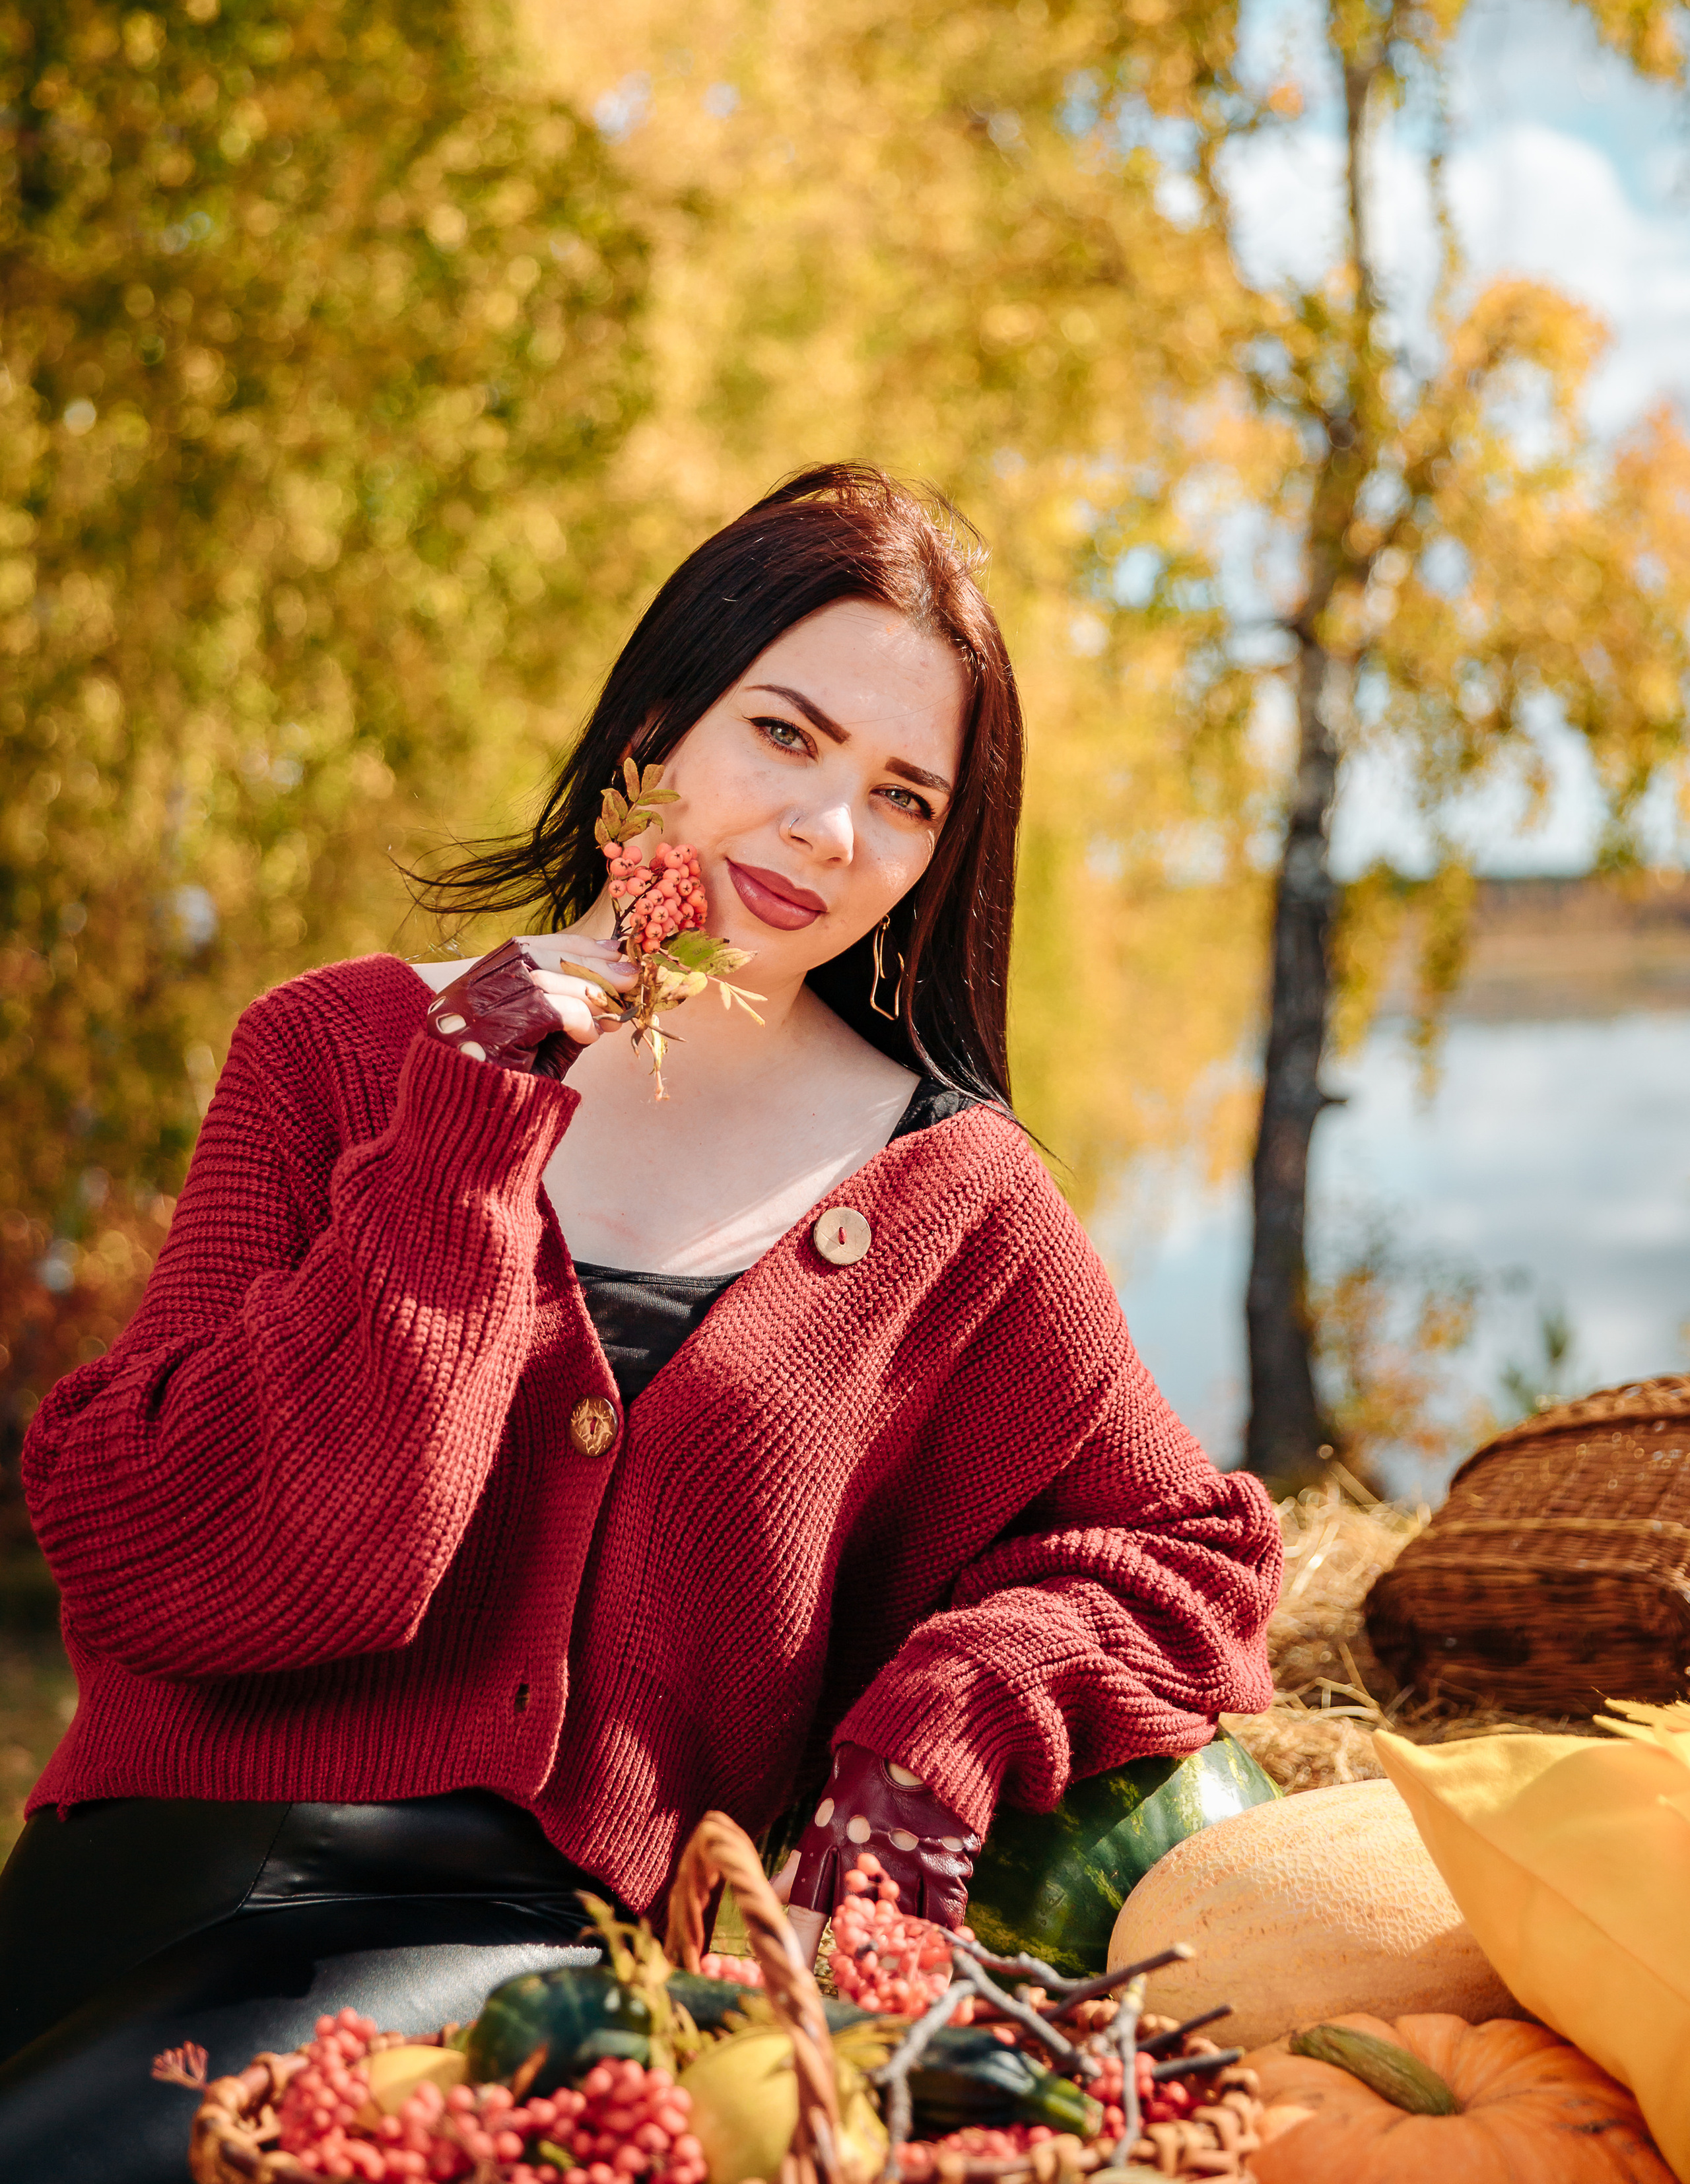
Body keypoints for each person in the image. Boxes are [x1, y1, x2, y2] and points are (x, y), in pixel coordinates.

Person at [0, 464, 1281, 2181]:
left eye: (905, 798)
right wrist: (467, 1126)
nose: (829, 831)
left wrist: (935, 1742)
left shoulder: (957, 1200)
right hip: (127, 1891)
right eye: (787, 736)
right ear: (658, 724)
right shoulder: (335, 1053)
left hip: (526, 1972)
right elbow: (189, 1570)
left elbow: (1191, 1554)